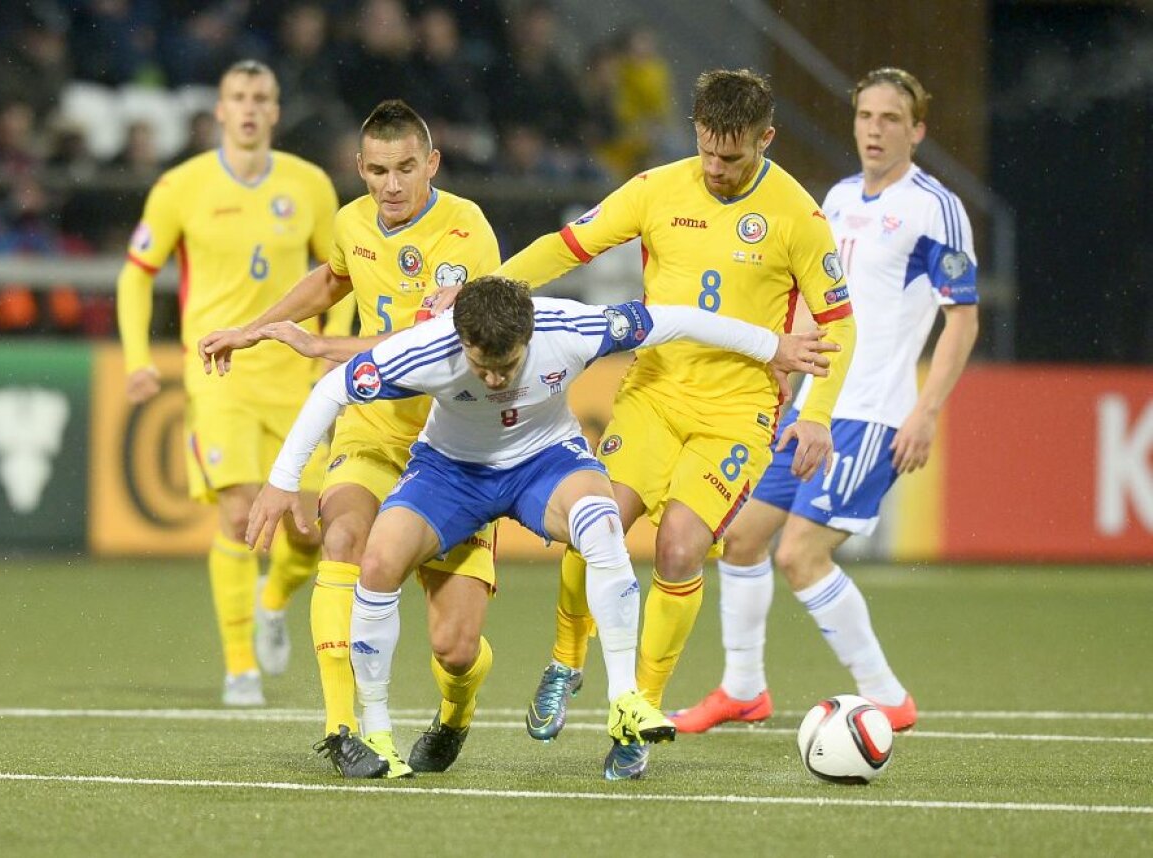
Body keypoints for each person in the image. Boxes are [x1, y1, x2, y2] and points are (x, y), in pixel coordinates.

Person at [245, 275, 839, 780]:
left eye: (508, 365)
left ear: (529, 337)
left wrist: (772, 346)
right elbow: (332, 388)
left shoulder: (570, 329)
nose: (496, 379)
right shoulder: (428, 350)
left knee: (603, 524)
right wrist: (282, 479)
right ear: (461, 341)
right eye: (483, 366)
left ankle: (625, 699)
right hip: (451, 473)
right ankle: (376, 733)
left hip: (544, 462)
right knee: (377, 565)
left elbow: (677, 319)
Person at [455, 69, 858, 774]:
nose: (716, 168)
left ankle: (635, 712)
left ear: (766, 139)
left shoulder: (799, 215)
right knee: (595, 518)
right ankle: (565, 661)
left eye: (732, 158)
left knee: (677, 552)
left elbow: (839, 325)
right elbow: (570, 247)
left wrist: (818, 415)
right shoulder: (655, 189)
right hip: (654, 390)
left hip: (737, 413)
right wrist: (488, 290)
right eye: (707, 150)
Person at [198, 100, 501, 779]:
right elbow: (333, 276)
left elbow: (429, 345)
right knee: (342, 539)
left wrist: (320, 345)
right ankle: (343, 729)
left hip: (456, 447)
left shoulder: (467, 232)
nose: (390, 186)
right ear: (359, 169)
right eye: (375, 171)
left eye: (403, 169)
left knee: (455, 648)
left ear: (432, 163)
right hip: (370, 432)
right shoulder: (352, 221)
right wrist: (255, 327)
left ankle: (457, 710)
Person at [672, 68, 979, 734]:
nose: (874, 129)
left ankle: (887, 695)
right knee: (742, 540)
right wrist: (788, 373)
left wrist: (925, 411)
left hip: (874, 413)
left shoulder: (934, 209)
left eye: (891, 119)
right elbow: (821, 304)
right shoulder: (836, 200)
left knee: (799, 555)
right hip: (814, 405)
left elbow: (963, 319)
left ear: (918, 130)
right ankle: (743, 689)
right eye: (866, 115)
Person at [116, 60, 339, 707]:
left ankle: (273, 601)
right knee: (241, 512)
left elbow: (339, 275)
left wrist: (329, 351)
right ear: (219, 109)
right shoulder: (179, 186)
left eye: (261, 98)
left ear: (275, 110)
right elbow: (137, 272)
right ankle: (240, 666)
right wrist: (137, 358)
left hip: (295, 374)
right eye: (237, 97)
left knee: (312, 527)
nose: (248, 108)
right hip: (218, 373)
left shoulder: (310, 185)